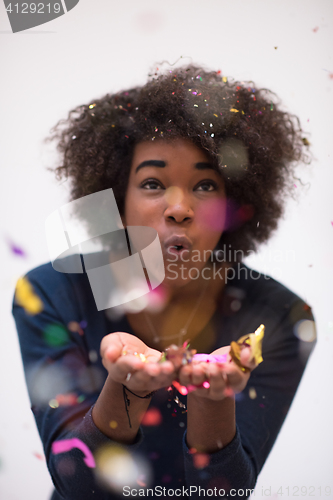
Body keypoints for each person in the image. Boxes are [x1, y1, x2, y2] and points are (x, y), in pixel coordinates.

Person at [12, 65, 316, 500]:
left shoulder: (279, 316)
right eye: (153, 183)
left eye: (206, 184)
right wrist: (127, 386)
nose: (179, 208)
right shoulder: (54, 293)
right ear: (118, 201)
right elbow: (78, 483)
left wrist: (212, 396)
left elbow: (223, 494)